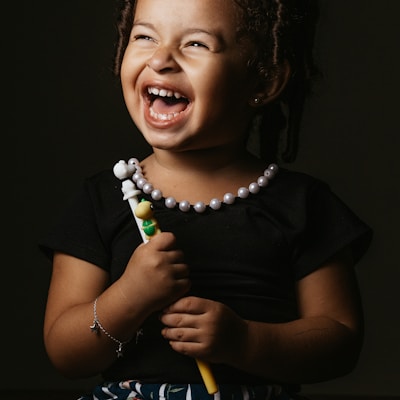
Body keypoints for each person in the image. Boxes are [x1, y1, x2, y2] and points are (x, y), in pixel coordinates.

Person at [40, 1, 373, 399]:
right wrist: (129, 297)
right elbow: (66, 354)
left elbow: (341, 343)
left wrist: (245, 342)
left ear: (263, 82)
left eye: (196, 44)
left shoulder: (303, 204)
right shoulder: (100, 199)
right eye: (144, 37)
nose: (161, 59)